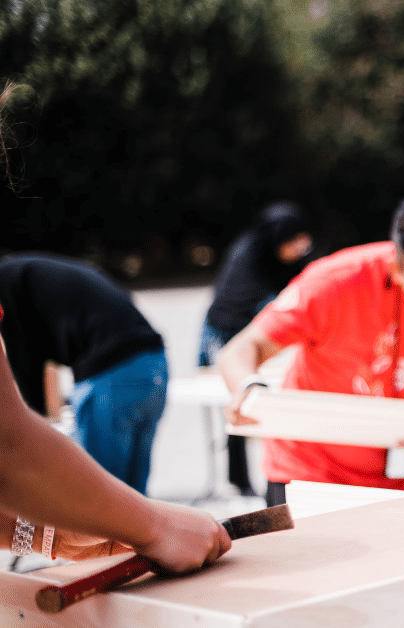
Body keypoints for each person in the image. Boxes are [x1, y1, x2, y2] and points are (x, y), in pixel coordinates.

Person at [0, 81, 230, 573]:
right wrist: (152, 526)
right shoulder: (17, 278)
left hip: (113, 369)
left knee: (115, 510)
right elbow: (10, 445)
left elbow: (13, 430)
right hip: (150, 364)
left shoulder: (12, 283)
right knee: (124, 504)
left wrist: (135, 525)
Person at [218, 190, 404, 508]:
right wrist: (248, 388)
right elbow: (243, 348)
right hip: (305, 475)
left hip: (398, 487)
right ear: (396, 270)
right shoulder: (336, 281)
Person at [0, 253, 170, 496]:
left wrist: (34, 427)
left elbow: (24, 358)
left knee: (100, 496)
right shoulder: (33, 270)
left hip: (112, 374)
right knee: (135, 497)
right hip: (153, 364)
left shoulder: (6, 283)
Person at [199, 201, 314, 496]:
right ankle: (240, 479)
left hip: (251, 329)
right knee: (242, 403)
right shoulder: (249, 260)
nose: (301, 247)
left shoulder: (276, 254)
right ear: (280, 238)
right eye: (295, 242)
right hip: (228, 330)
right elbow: (269, 312)